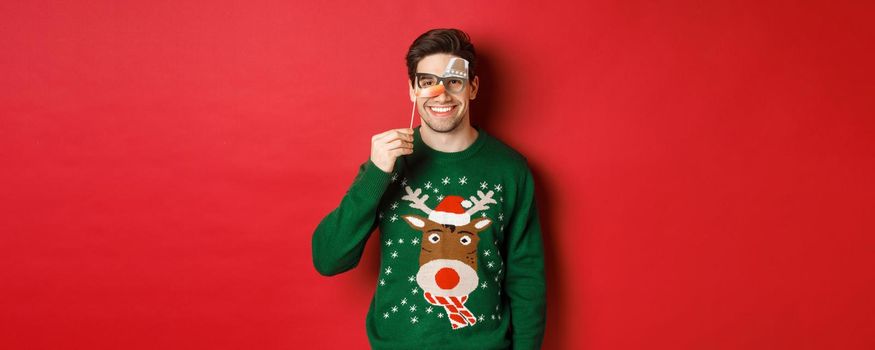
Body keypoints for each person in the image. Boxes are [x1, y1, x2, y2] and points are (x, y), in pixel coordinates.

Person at [312, 28, 546, 349]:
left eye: (453, 81)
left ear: (472, 87)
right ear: (412, 90)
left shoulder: (509, 170)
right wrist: (375, 174)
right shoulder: (386, 165)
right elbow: (328, 259)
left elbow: (526, 277)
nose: (441, 94)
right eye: (427, 82)